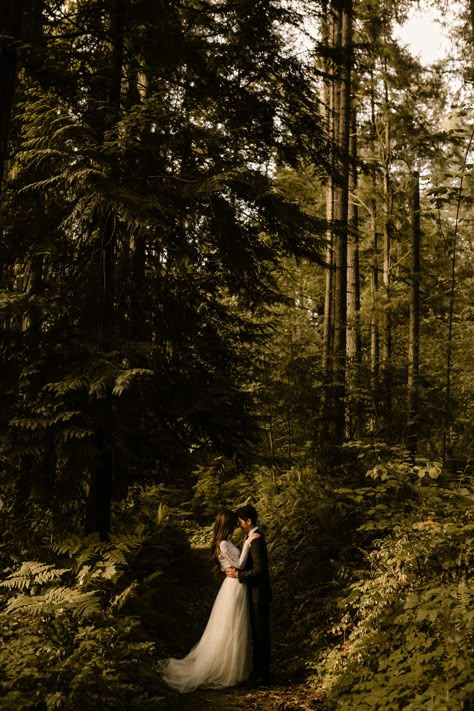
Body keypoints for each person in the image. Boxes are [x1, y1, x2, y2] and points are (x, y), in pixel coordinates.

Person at [160, 509, 260, 693]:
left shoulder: (225, 542)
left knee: (234, 627)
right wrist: (247, 544)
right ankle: (228, 670)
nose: (237, 525)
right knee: (231, 627)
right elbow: (238, 564)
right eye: (234, 522)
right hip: (234, 586)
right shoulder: (223, 543)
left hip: (235, 585)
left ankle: (234, 668)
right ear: (227, 524)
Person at [225, 504, 272, 687]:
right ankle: (257, 672)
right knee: (256, 633)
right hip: (253, 593)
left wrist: (239, 575)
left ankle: (263, 676)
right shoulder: (249, 537)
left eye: (240, 522)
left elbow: (260, 570)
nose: (239, 525)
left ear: (249, 521)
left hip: (259, 594)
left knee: (261, 634)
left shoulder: (257, 539)